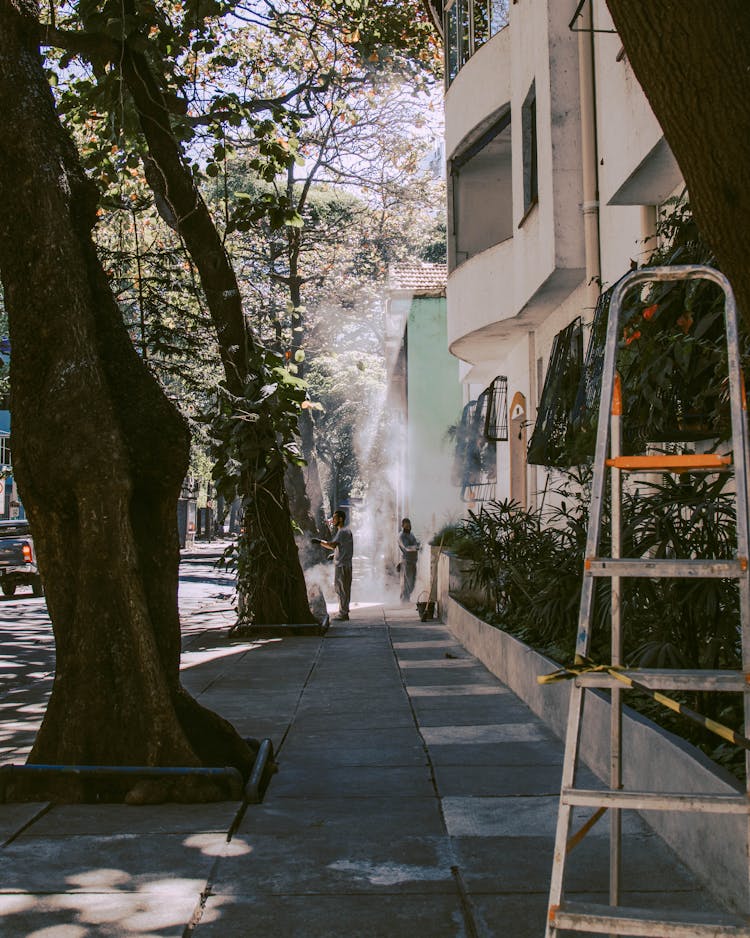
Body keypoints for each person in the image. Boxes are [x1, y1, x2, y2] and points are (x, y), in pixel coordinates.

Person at [315, 509, 353, 621]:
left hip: (342, 566)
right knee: (344, 589)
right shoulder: (346, 531)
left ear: (340, 519)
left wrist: (319, 542)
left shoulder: (342, 532)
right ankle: (344, 611)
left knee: (341, 589)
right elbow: (343, 547)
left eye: (335, 518)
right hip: (346, 564)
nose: (333, 520)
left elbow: (332, 545)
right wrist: (334, 555)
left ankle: (343, 613)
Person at [398, 517, 419, 603]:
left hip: (413, 561)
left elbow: (415, 543)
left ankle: (406, 598)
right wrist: (416, 547)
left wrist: (419, 545)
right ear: (402, 526)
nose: (408, 527)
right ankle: (404, 599)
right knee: (408, 582)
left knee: (412, 583)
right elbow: (406, 547)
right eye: (406, 525)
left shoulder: (411, 535)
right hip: (406, 562)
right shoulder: (401, 536)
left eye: (409, 525)